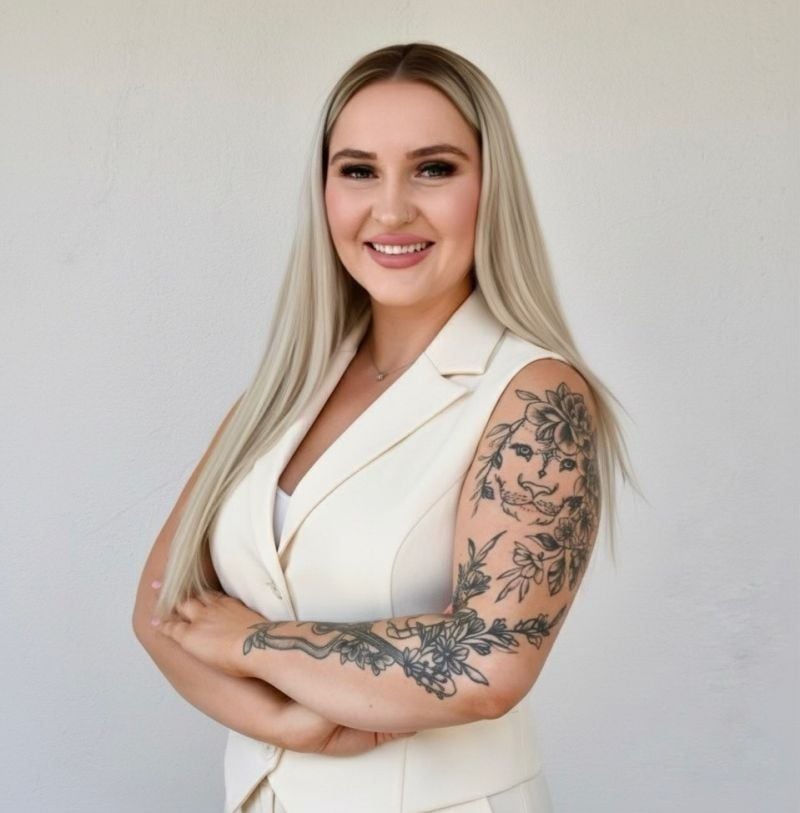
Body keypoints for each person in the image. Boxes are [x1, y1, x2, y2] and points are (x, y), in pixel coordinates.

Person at [132, 42, 637, 813]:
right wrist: (293, 727)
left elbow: (488, 662)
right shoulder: (284, 390)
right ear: (324, 190)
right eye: (359, 170)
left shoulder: (535, 397)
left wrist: (249, 641)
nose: (392, 209)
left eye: (433, 168)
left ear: (490, 186)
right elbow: (160, 609)